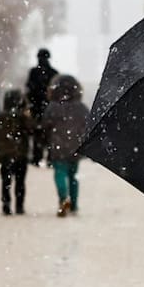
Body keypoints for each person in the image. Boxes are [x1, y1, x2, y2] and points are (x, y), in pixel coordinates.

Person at [42, 74, 88, 217]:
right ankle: (74, 204)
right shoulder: (81, 107)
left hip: (58, 146)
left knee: (60, 173)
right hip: (76, 146)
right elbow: (88, 126)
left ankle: (63, 198)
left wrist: (46, 141)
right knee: (73, 176)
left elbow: (45, 127)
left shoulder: (53, 107)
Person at [0, 89, 31, 215]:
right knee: (20, 182)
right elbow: (32, 129)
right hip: (21, 153)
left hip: (5, 153)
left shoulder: (0, 116)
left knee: (6, 181)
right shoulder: (22, 117)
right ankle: (19, 206)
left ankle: (6, 205)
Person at [25, 48, 58, 166]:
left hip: (36, 107)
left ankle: (36, 157)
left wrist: (31, 102)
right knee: (50, 134)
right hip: (50, 108)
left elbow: (29, 89)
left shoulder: (33, 72)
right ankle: (50, 158)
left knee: (37, 134)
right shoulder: (54, 73)